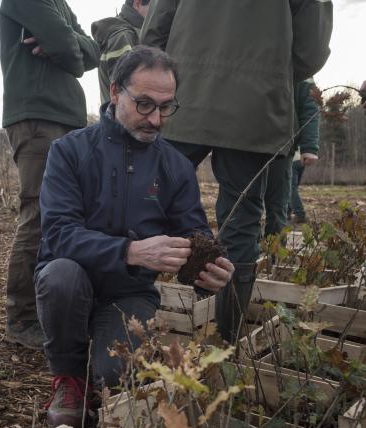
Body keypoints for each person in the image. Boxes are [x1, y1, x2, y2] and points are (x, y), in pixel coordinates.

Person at [35, 46, 234, 428]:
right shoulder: (70, 151)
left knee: (116, 377)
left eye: (166, 107)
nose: (156, 119)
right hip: (72, 280)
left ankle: (99, 372)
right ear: (115, 93)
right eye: (144, 104)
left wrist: (208, 272)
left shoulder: (174, 166)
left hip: (128, 294)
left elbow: (193, 236)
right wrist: (129, 250)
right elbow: (58, 234)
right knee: (60, 275)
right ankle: (69, 378)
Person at [141, 0, 333, 343]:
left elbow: (153, 32)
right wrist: (265, 70)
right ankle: (225, 342)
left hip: (185, 97)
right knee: (242, 223)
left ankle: (129, 325)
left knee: (147, 203)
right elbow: (310, 53)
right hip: (255, 106)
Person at [0, 0, 99, 349]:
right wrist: (65, 45)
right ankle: (22, 318)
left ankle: (59, 308)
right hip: (38, 116)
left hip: (68, 119)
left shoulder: (61, 4)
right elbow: (68, 50)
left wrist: (67, 42)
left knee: (71, 216)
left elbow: (90, 51)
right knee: (40, 214)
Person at [264, 79, 320, 234]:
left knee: (282, 199)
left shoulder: (299, 65)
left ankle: (274, 253)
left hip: (285, 151)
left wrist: (309, 146)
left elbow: (310, 107)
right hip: (247, 146)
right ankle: (245, 254)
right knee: (248, 203)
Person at [91, 0, 151, 105]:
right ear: (138, 3)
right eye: (154, 6)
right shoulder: (123, 36)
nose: (157, 13)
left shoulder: (130, 33)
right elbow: (125, 92)